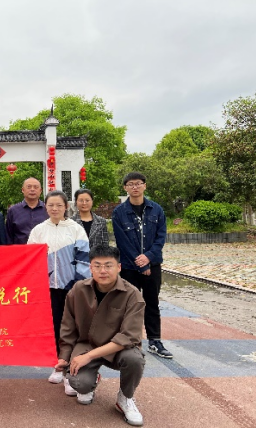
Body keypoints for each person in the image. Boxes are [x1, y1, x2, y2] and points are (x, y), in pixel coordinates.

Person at [55, 245, 146, 427]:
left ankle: (125, 398)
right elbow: (68, 328)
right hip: (86, 344)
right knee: (78, 383)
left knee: (135, 359)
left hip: (118, 349)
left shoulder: (132, 295)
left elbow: (128, 337)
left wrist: (88, 356)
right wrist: (64, 357)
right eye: (97, 266)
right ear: (90, 268)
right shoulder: (78, 290)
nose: (102, 271)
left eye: (108, 265)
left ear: (119, 267)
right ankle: (92, 379)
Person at [27, 190, 91, 386]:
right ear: (45, 207)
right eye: (51, 205)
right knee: (54, 326)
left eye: (59, 205)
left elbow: (84, 259)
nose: (54, 209)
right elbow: (29, 258)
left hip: (72, 287)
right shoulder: (38, 230)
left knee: (73, 327)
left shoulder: (76, 229)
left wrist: (78, 285)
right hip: (48, 287)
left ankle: (72, 369)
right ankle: (57, 366)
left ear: (66, 207)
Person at [112, 172, 173, 360]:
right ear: (125, 188)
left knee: (152, 303)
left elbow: (160, 237)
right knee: (130, 305)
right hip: (130, 267)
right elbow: (122, 242)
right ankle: (130, 342)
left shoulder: (156, 210)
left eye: (138, 183)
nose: (135, 187)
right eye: (131, 184)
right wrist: (140, 264)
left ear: (144, 185)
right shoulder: (119, 212)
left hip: (152, 265)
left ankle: (155, 341)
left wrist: (148, 257)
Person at [6, 178, 49, 245]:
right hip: (21, 250)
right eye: (29, 187)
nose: (32, 189)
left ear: (40, 190)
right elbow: (8, 236)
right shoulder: (13, 210)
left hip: (43, 249)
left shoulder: (48, 209)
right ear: (23, 190)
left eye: (36, 187)